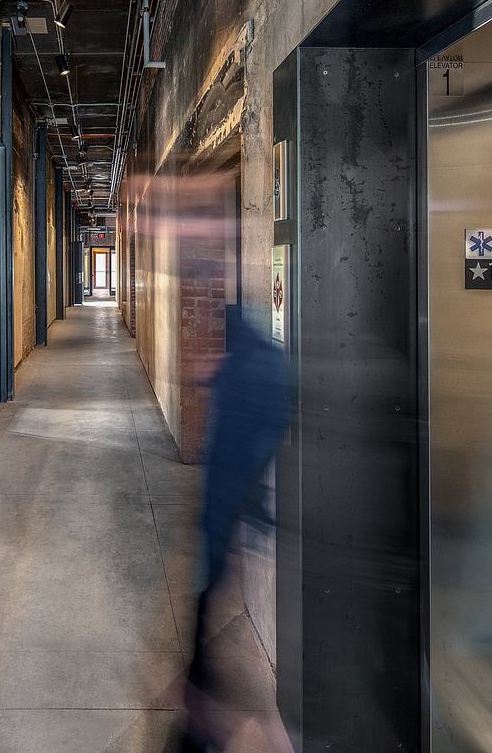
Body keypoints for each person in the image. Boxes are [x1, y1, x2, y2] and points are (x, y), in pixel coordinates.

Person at [171, 306, 292, 752]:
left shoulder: (257, 359)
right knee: (207, 612)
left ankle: (201, 723)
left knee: (207, 610)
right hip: (222, 512)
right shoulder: (246, 354)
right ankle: (202, 721)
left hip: (224, 512)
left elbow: (267, 409)